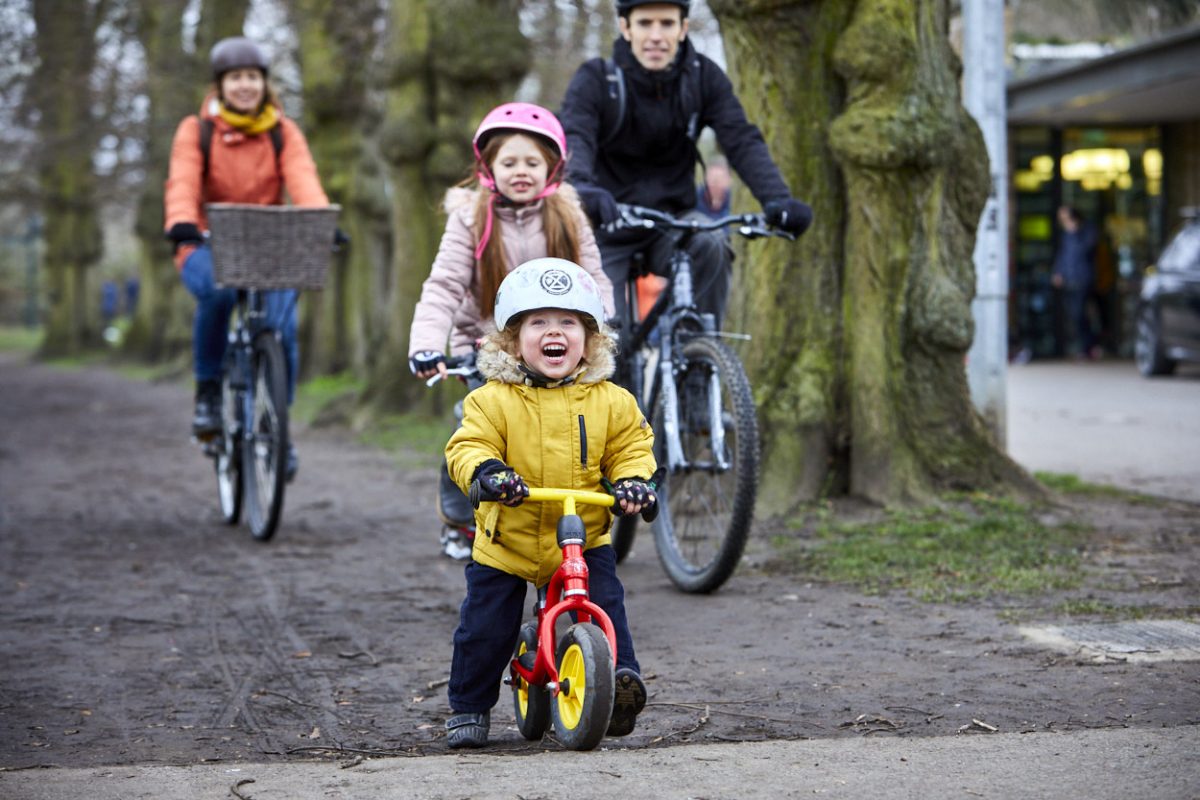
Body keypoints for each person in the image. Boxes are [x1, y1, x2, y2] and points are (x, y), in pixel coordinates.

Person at [441, 257, 657, 749]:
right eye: (538, 322)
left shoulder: (611, 401)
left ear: (590, 338)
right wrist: (488, 474)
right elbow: (468, 446)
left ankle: (618, 682)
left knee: (606, 605)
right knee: (485, 628)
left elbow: (632, 447)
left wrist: (633, 483)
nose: (554, 332)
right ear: (512, 340)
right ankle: (469, 705)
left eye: (569, 323)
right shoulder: (491, 400)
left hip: (583, 537)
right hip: (508, 542)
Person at [408, 102, 613, 559]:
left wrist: (599, 335)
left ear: (552, 168)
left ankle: (571, 523)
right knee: (477, 426)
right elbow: (444, 285)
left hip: (557, 341)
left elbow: (595, 278)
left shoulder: (568, 215)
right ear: (488, 167)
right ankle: (460, 516)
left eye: (532, 162)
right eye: (509, 162)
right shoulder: (471, 217)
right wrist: (426, 345)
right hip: (487, 345)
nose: (521, 171)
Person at [558, 0, 813, 329]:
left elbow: (741, 139)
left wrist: (776, 198)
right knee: (604, 336)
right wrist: (583, 189)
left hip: (674, 221)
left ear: (683, 28)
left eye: (666, 24)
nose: (656, 35)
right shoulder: (597, 78)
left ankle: (700, 363)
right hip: (608, 222)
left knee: (713, 245)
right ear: (625, 27)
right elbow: (576, 135)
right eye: (645, 23)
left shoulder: (703, 76)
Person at [164, 36, 330, 480]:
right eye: (235, 78)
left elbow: (304, 180)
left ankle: (277, 427)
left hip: (268, 246)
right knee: (218, 294)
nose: (244, 85)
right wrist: (181, 222)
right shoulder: (196, 130)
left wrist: (319, 221)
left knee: (283, 327)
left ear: (263, 83)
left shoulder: (282, 131)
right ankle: (208, 394)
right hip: (205, 241)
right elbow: (182, 181)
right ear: (220, 85)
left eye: (252, 77)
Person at [1051, 205, 1098, 360]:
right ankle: (1086, 345)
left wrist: (1075, 232)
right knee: (1074, 314)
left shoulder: (1086, 230)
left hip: (1083, 278)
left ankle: (1089, 345)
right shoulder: (1066, 235)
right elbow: (1063, 255)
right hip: (1069, 280)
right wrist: (1058, 272)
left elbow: (1087, 249)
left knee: (1080, 313)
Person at [696, 155, 732, 221]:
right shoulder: (694, 197)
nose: (715, 184)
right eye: (712, 179)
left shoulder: (727, 196)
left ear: (728, 180)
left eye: (719, 180)